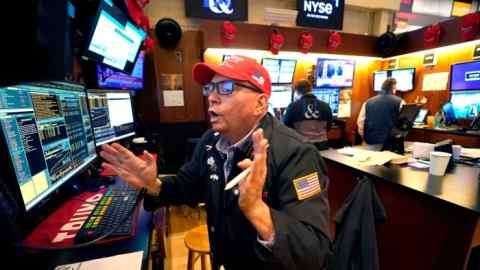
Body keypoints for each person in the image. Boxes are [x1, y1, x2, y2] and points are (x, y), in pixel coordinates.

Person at [100, 56, 332, 270]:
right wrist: (154, 184)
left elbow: (313, 252)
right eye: (210, 88)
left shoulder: (298, 155)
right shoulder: (210, 141)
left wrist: (257, 210)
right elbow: (187, 187)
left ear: (260, 104)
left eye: (227, 88)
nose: (211, 96)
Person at [282, 79, 333, 150]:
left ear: (296, 92)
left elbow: (285, 128)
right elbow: (329, 127)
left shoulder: (293, 107)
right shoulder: (326, 106)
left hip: (302, 148)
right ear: (311, 89)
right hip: (322, 147)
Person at [357, 77, 404, 145]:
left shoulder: (368, 102)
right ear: (393, 88)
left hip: (370, 141)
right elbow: (404, 122)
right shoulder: (400, 101)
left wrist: (364, 138)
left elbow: (361, 122)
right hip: (390, 142)